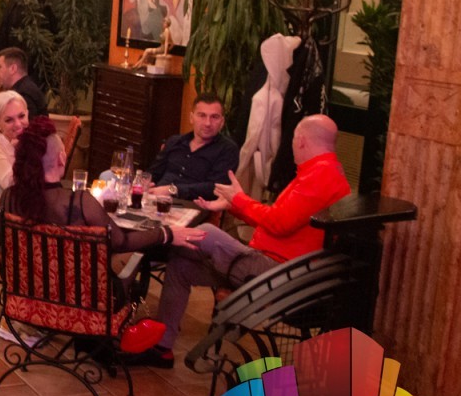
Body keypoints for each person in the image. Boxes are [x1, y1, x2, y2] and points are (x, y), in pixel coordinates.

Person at [134, 115, 350, 368]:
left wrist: (238, 200)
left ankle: (155, 240)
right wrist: (233, 205)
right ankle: (162, 348)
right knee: (181, 263)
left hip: (281, 273)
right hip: (270, 265)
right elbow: (277, 219)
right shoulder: (321, 171)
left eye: (292, 139)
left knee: (205, 231)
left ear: (301, 140)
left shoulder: (320, 175)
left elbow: (279, 223)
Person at [6, 118, 204, 253]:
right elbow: (120, 242)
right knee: (130, 261)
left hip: (24, 291)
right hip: (77, 294)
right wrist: (166, 233)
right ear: (61, 158)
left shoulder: (9, 197)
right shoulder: (80, 202)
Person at [146, 93, 240, 201]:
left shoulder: (227, 149)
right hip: (156, 200)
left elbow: (215, 188)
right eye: (202, 115)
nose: (208, 123)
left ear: (222, 122)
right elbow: (153, 173)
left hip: (194, 205)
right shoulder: (174, 141)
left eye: (214, 117)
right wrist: (144, 183)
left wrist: (173, 190)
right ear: (191, 118)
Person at [0, 48, 48, 119]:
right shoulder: (25, 88)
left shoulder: (23, 94)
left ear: (13, 69)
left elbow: (24, 125)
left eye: (0, 67)